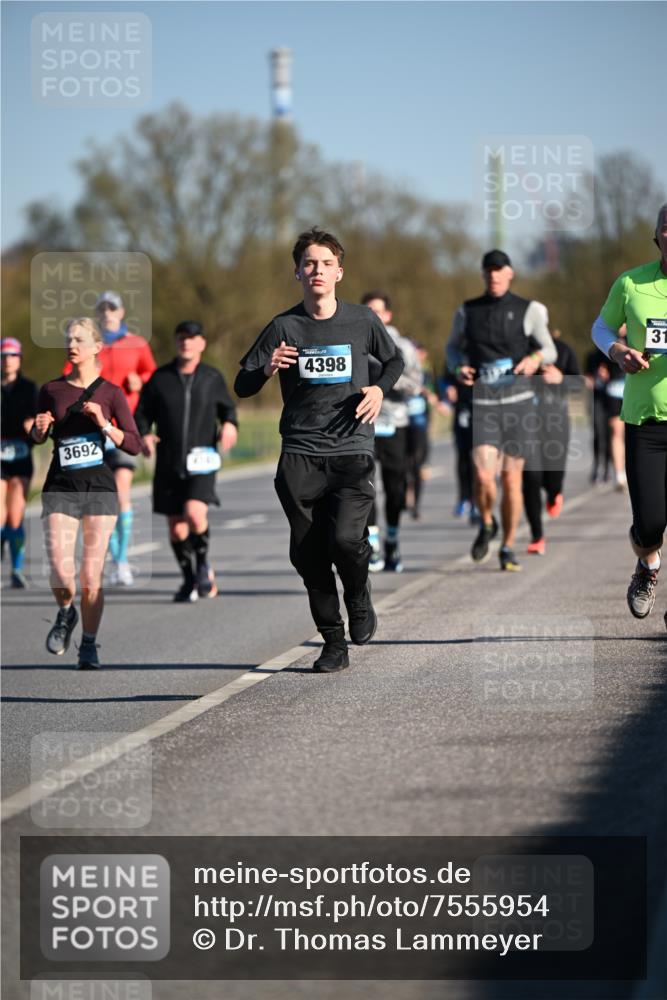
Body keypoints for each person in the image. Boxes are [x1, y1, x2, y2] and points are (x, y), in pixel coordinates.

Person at [235, 227, 404, 673]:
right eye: (309, 263)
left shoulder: (362, 320)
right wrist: (267, 369)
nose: (318, 270)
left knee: (346, 541)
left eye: (327, 264)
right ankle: (333, 642)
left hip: (351, 447)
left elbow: (395, 360)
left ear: (339, 272)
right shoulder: (283, 326)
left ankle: (359, 595)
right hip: (300, 452)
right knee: (309, 555)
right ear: (297, 272)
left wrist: (379, 389)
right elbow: (242, 384)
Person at [32, 318, 142, 668]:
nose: (72, 345)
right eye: (69, 340)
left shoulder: (111, 393)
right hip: (60, 485)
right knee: (61, 572)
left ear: (97, 348)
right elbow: (36, 437)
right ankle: (66, 611)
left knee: (91, 578)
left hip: (99, 487)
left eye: (79, 340)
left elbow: (134, 444)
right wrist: (39, 430)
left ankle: (89, 645)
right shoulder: (51, 390)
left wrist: (104, 424)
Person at [446, 249, 556, 571]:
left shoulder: (528, 309)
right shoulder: (467, 311)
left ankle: (507, 546)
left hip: (518, 406)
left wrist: (534, 359)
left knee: (510, 479)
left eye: (499, 270)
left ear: (510, 273)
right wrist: (458, 367)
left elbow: (548, 348)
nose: (493, 275)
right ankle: (486, 522)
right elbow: (452, 348)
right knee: (483, 475)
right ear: (483, 274)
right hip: (484, 405)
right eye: (489, 270)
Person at [591, 203, 667, 621]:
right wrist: (618, 350)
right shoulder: (632, 283)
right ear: (657, 235)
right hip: (647, 421)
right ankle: (647, 563)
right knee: (650, 525)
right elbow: (601, 327)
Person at [135, 321, 238, 602]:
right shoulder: (160, 378)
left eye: (192, 338)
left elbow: (228, 409)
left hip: (202, 460)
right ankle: (188, 579)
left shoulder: (211, 377)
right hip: (169, 462)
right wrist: (145, 434)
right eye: (181, 338)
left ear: (202, 343)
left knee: (194, 514)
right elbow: (142, 413)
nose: (186, 343)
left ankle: (202, 565)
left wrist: (230, 425)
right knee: (177, 527)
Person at [64, 292, 156, 587]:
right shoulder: (87, 345)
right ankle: (114, 557)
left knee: (121, 493)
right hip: (91, 429)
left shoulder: (137, 343)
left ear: (121, 312)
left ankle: (121, 560)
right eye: (102, 309)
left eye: (112, 308)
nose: (107, 313)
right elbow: (67, 377)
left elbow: (153, 376)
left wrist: (141, 381)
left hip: (123, 427)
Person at [361, 291, 422, 572]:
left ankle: (393, 540)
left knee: (395, 485)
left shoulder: (403, 346)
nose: (373, 316)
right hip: (364, 423)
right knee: (365, 485)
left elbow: (416, 385)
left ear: (388, 315)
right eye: (368, 311)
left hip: (395, 423)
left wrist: (385, 381)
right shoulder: (356, 341)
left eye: (378, 311)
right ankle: (372, 543)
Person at [522, 328, 581, 555]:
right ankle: (537, 536)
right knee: (531, 478)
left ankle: (554, 492)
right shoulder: (520, 352)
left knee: (553, 480)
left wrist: (561, 379)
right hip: (525, 424)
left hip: (556, 425)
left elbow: (579, 386)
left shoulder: (563, 351)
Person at [1, 337, 38, 588]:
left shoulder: (29, 388)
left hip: (22, 454)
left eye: (12, 355)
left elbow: (40, 420)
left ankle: (16, 569)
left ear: (20, 359)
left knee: (15, 517)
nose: (8, 360)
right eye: (3, 356)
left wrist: (33, 424)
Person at [584, 346, 612, 483]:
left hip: (611, 399)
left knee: (608, 435)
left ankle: (606, 468)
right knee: (597, 433)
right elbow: (587, 377)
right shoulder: (591, 356)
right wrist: (590, 380)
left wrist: (608, 376)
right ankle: (596, 466)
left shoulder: (612, 354)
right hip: (596, 399)